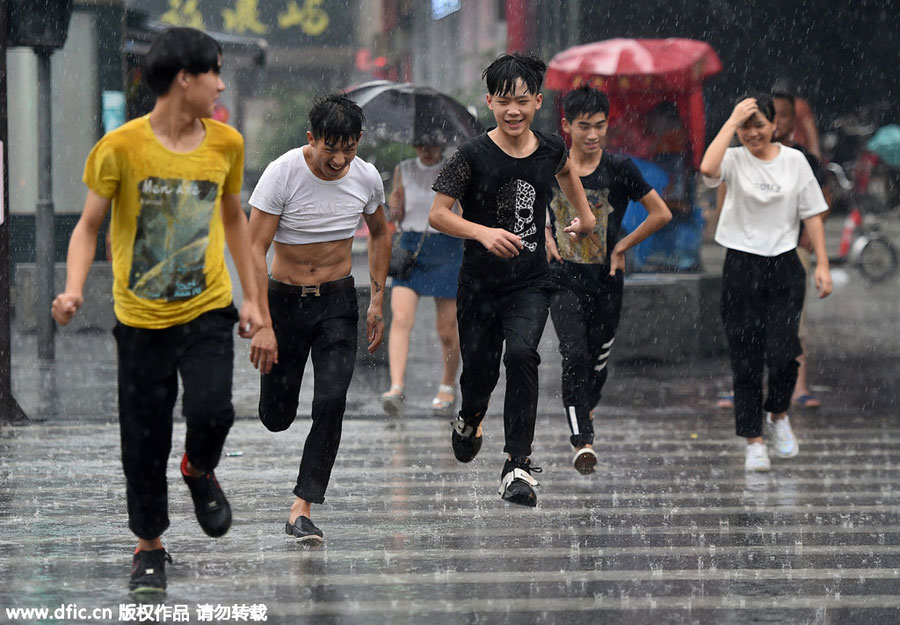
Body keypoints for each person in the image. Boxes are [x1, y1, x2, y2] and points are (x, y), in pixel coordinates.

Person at [51, 27, 263, 594]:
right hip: (141, 318)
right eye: (213, 72)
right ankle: (150, 545)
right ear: (184, 79)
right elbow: (88, 227)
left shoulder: (226, 144)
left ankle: (199, 468)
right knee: (143, 437)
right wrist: (73, 290)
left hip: (207, 306)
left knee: (215, 409)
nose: (220, 83)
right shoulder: (120, 148)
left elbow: (235, 221)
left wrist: (255, 305)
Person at [429, 53, 595, 507]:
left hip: (530, 282)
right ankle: (469, 417)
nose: (514, 110)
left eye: (523, 100)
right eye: (504, 102)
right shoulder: (470, 155)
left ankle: (517, 464)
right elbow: (438, 214)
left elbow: (567, 172)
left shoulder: (550, 147)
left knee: (522, 355)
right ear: (490, 103)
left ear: (538, 101)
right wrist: (482, 232)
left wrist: (584, 216)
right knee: (479, 374)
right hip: (479, 285)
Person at [247, 93, 391, 544]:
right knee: (277, 416)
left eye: (348, 148)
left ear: (358, 142)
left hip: (337, 302)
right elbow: (254, 247)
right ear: (311, 139)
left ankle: (303, 506)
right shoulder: (282, 173)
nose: (339, 159)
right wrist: (262, 319)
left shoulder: (365, 177)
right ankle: (275, 404)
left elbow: (382, 232)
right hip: (285, 302)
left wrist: (377, 299)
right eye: (331, 148)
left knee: (331, 401)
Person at [700, 94, 832, 473]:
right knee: (745, 359)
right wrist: (731, 122)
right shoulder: (733, 157)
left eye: (759, 124)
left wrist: (822, 264)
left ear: (774, 125)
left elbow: (813, 214)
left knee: (784, 352)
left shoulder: (795, 162)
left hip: (785, 265)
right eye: (746, 126)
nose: (752, 133)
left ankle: (777, 414)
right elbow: (708, 168)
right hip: (741, 264)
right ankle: (753, 441)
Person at [545, 86, 672, 475]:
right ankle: (582, 441)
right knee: (574, 355)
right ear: (567, 126)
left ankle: (587, 404)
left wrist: (622, 248)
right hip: (562, 279)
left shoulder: (620, 169)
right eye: (584, 127)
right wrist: (546, 237)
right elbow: (532, 206)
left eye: (600, 126)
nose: (593, 135)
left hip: (607, 281)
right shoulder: (550, 165)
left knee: (596, 363)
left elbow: (660, 213)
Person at [379, 139, 463, 418]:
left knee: (447, 329)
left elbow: (462, 214)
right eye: (421, 144)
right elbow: (399, 212)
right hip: (411, 249)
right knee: (401, 318)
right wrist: (395, 201)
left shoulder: (455, 169)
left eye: (433, 144)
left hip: (447, 248)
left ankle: (448, 384)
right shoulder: (403, 168)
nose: (427, 150)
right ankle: (396, 386)